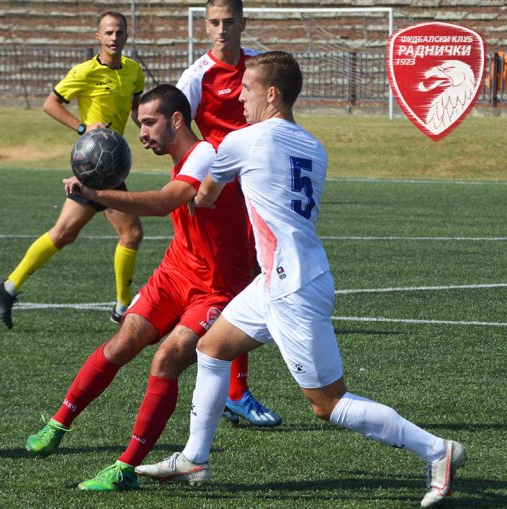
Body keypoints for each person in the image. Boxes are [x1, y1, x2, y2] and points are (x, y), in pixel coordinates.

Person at [135, 51, 465, 508]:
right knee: (211, 348)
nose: (239, 97)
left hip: (289, 285)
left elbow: (204, 197)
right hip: (288, 275)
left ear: (271, 94)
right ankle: (195, 457)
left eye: (246, 89)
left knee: (328, 404)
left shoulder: (242, 140)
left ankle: (437, 452)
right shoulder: (313, 146)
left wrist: (199, 181)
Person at [24, 84, 254, 491]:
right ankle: (59, 422)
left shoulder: (205, 154)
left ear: (177, 121)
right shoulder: (184, 157)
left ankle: (125, 468)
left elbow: (166, 202)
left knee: (166, 359)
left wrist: (96, 194)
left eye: (149, 123)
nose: (142, 133)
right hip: (177, 270)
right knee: (121, 343)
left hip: (218, 287)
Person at [0, 11, 144, 328]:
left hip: (112, 165)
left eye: (120, 32)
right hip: (95, 167)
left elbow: (136, 112)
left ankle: (8, 287)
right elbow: (51, 103)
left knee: (64, 233)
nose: (115, 38)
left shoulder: (134, 72)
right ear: (97, 37)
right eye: (109, 32)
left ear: (127, 36)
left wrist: (152, 131)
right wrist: (83, 127)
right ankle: (122, 308)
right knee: (131, 233)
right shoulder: (84, 72)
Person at [176, 0, 280, 427]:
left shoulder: (257, 69)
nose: (222, 29)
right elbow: (174, 125)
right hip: (217, 196)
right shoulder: (197, 75)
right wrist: (198, 171)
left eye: (229, 21)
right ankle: (234, 391)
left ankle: (230, 387)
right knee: (233, 286)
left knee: (255, 277)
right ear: (205, 24)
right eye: (215, 22)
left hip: (257, 191)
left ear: (242, 22)